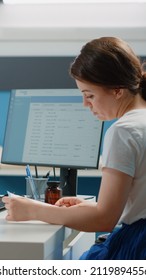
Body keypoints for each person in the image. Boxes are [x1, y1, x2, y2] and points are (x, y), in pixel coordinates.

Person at [2, 37, 146, 260]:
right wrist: (96, 206)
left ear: (118, 91)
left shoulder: (124, 131)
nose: (85, 104)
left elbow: (104, 220)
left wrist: (31, 210)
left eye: (90, 95)